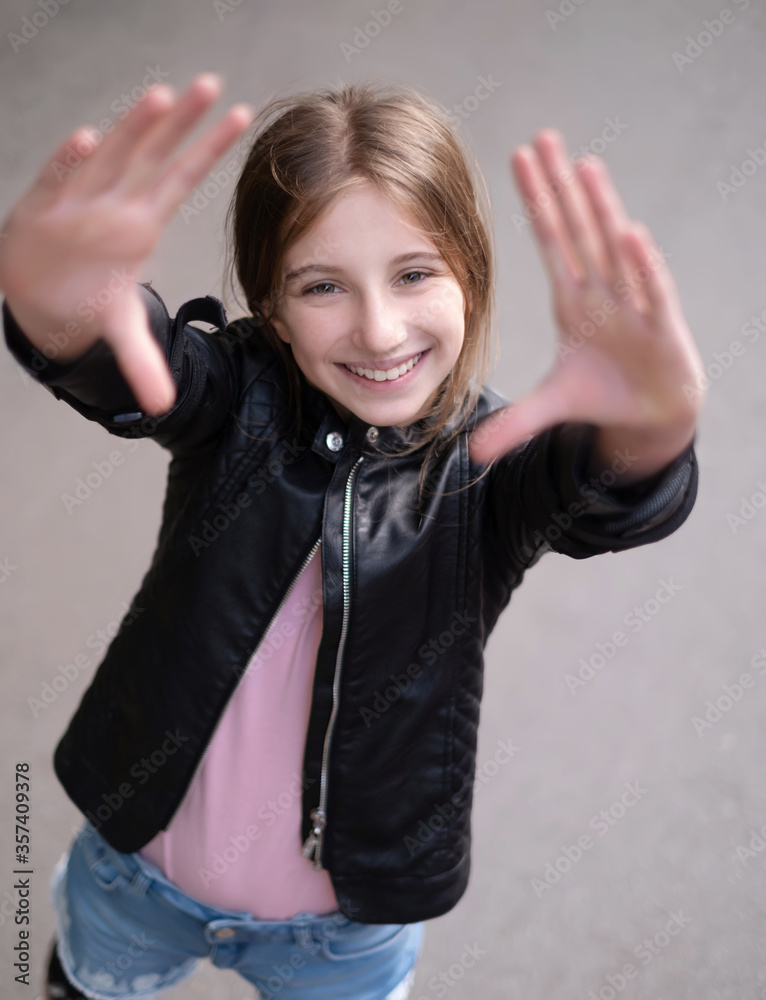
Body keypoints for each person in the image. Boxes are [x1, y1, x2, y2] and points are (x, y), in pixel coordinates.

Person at [0, 72, 704, 1000]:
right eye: (322, 284)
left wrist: (651, 429)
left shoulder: (488, 472)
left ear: (472, 275)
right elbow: (131, 359)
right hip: (139, 873)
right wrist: (59, 303)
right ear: (273, 308)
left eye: (415, 274)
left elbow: (608, 491)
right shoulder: (237, 399)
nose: (378, 329)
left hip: (348, 930)